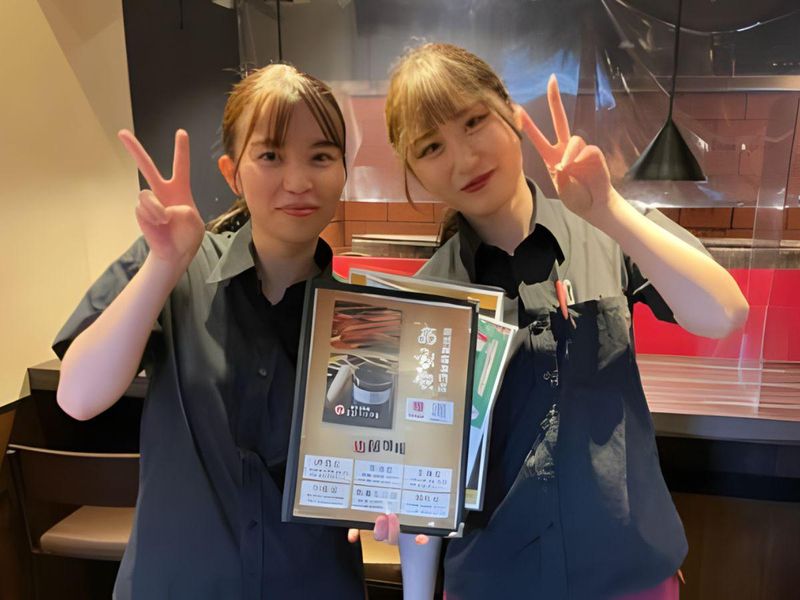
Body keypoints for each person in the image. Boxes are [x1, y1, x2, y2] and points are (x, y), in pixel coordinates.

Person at [380, 43, 749, 599]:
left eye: (474, 121)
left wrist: (609, 210)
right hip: (493, 584)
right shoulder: (424, 299)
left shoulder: (602, 227)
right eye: (431, 147)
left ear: (509, 111)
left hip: (627, 578)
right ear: (415, 172)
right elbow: (420, 481)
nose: (463, 158)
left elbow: (724, 313)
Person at [55, 64, 366, 599]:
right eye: (270, 156)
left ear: (343, 170)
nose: (298, 181)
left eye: (321, 157)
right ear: (232, 173)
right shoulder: (176, 266)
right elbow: (78, 398)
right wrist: (164, 263)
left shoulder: (365, 322)